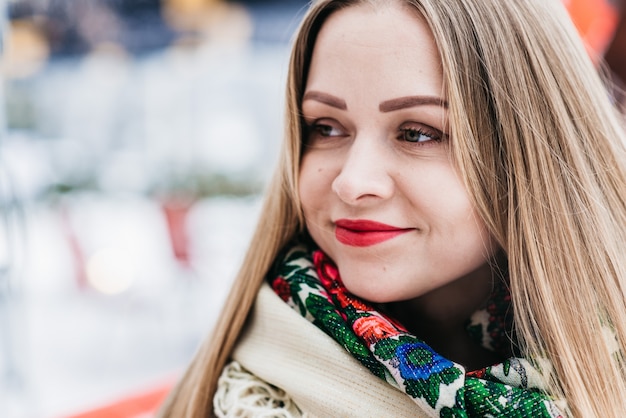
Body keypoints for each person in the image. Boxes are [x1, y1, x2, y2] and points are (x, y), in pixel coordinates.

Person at [159, 0, 626, 416]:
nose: (353, 182)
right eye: (327, 127)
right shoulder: (239, 400)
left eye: (418, 132)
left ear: (532, 154)